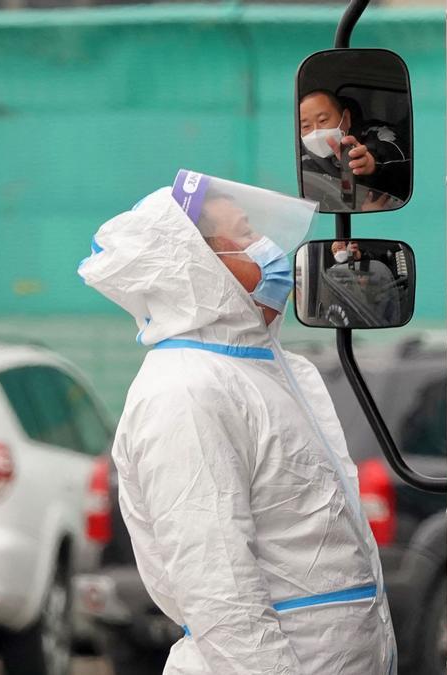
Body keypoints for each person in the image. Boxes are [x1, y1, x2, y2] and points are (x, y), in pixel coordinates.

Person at [77, 187, 397, 674]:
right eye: (247, 233)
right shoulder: (187, 390)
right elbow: (217, 588)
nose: (268, 245)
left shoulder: (258, 370)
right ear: (198, 267)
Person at [299, 89, 410, 206]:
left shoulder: (377, 133)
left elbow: (399, 154)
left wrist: (371, 162)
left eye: (323, 120)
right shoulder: (301, 162)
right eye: (306, 126)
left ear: (346, 118)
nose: (316, 131)